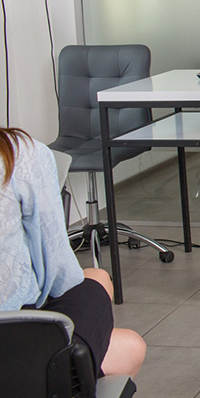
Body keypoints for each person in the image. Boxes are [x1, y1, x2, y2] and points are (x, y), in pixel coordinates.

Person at [0, 127, 146, 378]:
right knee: (130, 345)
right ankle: (63, 375)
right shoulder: (16, 152)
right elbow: (59, 274)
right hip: (13, 340)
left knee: (98, 281)